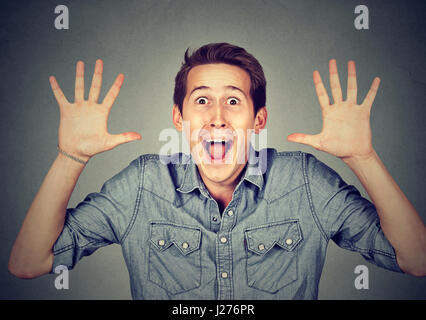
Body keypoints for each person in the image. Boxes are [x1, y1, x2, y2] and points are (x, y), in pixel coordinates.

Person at [8, 43, 426, 299]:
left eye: (233, 101)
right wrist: (72, 159)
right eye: (202, 100)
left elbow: (417, 260)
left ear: (258, 119)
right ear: (179, 116)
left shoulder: (303, 181)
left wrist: (363, 159)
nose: (217, 118)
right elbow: (28, 262)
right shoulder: (141, 185)